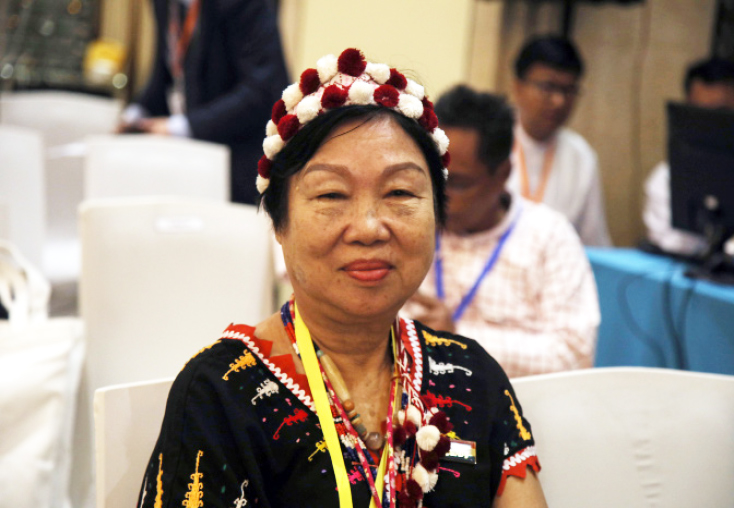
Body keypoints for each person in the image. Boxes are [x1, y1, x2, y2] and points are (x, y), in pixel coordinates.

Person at [136, 49, 547, 507]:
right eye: (331, 194)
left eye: (400, 192)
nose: (369, 228)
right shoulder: (221, 394)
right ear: (279, 223)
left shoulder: (472, 379)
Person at [403, 85, 599, 379]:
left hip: (511, 402)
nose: (438, 194)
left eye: (458, 183)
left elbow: (575, 355)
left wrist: (460, 340)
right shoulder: (410, 221)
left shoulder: (549, 237)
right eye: (433, 176)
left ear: (503, 174)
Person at [117, 0, 289, 205]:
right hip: (193, 159)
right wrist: (134, 115)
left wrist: (178, 127)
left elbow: (260, 92)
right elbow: (167, 73)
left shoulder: (244, 4)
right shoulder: (163, 4)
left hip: (243, 164)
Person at [509, 35, 612, 246]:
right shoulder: (489, 141)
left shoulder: (581, 157)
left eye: (568, 90)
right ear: (518, 87)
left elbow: (594, 243)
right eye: (548, 87)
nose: (559, 101)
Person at [643, 57, 734, 256]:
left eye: (720, 114)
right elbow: (671, 242)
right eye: (699, 113)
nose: (709, 126)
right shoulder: (665, 179)